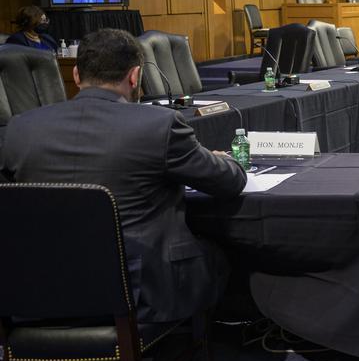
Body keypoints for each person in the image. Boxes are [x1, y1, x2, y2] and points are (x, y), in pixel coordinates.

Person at [0, 29, 246, 324]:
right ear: (135, 76)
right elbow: (229, 183)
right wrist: (224, 160)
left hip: (39, 290)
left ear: (76, 75)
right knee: (221, 255)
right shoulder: (160, 125)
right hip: (139, 293)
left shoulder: (20, 128)